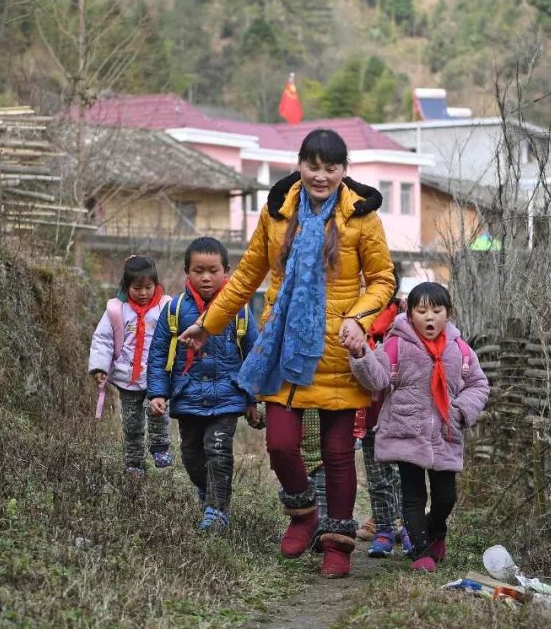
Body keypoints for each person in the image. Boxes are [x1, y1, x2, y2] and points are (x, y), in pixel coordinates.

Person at [179, 128, 395, 578]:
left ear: (343, 171)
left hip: (336, 350)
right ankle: (304, 515)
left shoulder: (362, 218)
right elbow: (245, 277)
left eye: (331, 168)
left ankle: (337, 542)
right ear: (299, 164)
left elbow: (382, 281)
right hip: (282, 347)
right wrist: (208, 324)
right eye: (312, 166)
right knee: (279, 445)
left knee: (338, 453)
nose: (321, 176)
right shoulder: (277, 213)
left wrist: (356, 319)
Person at [348, 282, 490, 572]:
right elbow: (377, 379)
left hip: (445, 433)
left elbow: (478, 384)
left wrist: (461, 410)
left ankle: (435, 530)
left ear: (448, 314)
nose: (429, 317)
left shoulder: (460, 350)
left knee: (445, 497)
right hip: (407, 429)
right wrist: (362, 355)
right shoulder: (397, 344)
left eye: (436, 311)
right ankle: (421, 552)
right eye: (421, 311)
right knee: (413, 496)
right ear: (409, 314)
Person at [147, 237, 261, 531]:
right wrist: (158, 392)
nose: (206, 277)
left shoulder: (240, 311)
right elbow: (158, 352)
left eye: (213, 270)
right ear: (187, 272)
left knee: (219, 450)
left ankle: (217, 510)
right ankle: (208, 490)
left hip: (227, 397)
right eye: (199, 270)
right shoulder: (174, 310)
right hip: (187, 396)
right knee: (191, 455)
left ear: (227, 271)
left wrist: (252, 399)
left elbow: (253, 357)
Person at [88, 254, 173, 474]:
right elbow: (103, 339)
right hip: (128, 378)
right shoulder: (117, 310)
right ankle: (134, 463)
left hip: (157, 375)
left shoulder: (166, 308)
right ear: (127, 287)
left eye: (148, 287)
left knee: (158, 411)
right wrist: (100, 367)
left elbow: (178, 336)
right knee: (132, 422)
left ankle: (160, 447)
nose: (143, 293)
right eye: (137, 288)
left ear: (156, 284)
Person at [354, 262, 412, 558]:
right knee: (377, 476)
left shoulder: (407, 320)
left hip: (401, 412)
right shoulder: (351, 320)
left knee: (404, 474)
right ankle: (385, 528)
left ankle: (407, 525)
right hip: (367, 412)